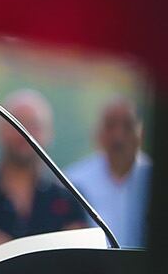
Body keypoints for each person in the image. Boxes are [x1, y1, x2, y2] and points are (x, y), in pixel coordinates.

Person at [0, 90, 87, 254]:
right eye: (16, 123)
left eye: (34, 125)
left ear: (49, 134)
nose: (24, 133)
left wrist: (8, 252)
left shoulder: (70, 199)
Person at [65, 98, 153, 249]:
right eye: (111, 126)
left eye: (128, 126)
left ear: (142, 132)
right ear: (97, 133)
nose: (118, 136)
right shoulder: (74, 181)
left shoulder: (154, 178)